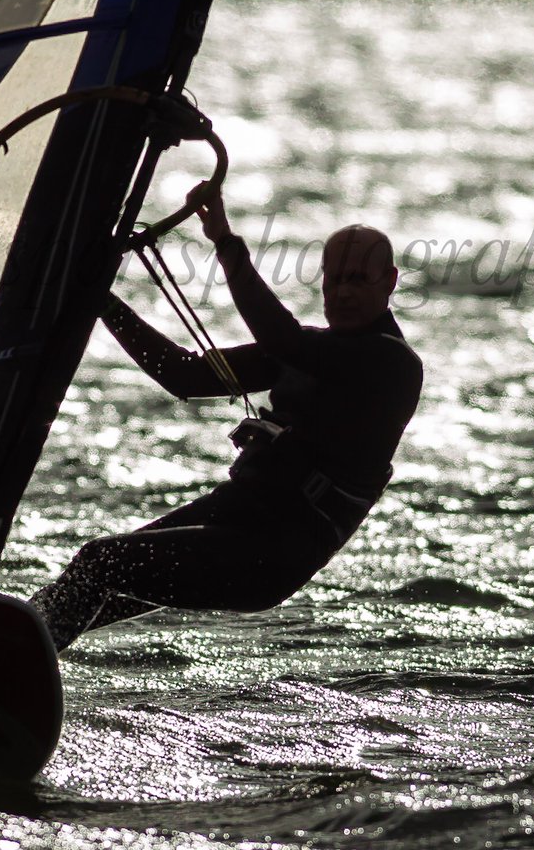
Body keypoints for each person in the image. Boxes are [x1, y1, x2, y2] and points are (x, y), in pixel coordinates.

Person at [30, 189, 423, 652]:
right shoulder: (306, 351)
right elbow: (184, 375)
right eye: (333, 280)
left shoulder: (392, 364)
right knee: (86, 582)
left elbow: (284, 338)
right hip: (235, 514)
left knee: (102, 563)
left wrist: (224, 241)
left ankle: (3, 657)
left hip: (272, 552)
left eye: (357, 280)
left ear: (390, 282)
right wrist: (104, 302)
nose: (341, 293)